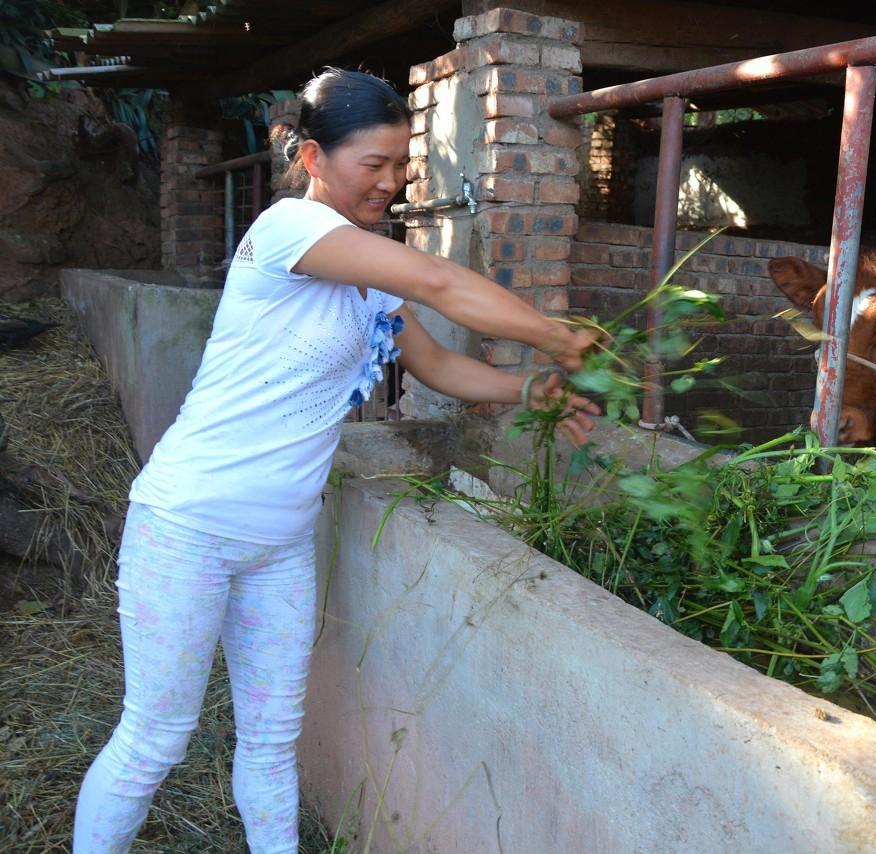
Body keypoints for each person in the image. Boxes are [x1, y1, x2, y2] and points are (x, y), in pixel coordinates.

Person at [73, 68, 598, 853]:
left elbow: (440, 370)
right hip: (189, 525)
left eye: (400, 165)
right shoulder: (288, 229)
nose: (389, 182)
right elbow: (438, 278)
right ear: (314, 157)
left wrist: (538, 390)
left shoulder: (369, 278)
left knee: (272, 741)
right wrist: (557, 335)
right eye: (372, 165)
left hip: (279, 543)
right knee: (156, 739)